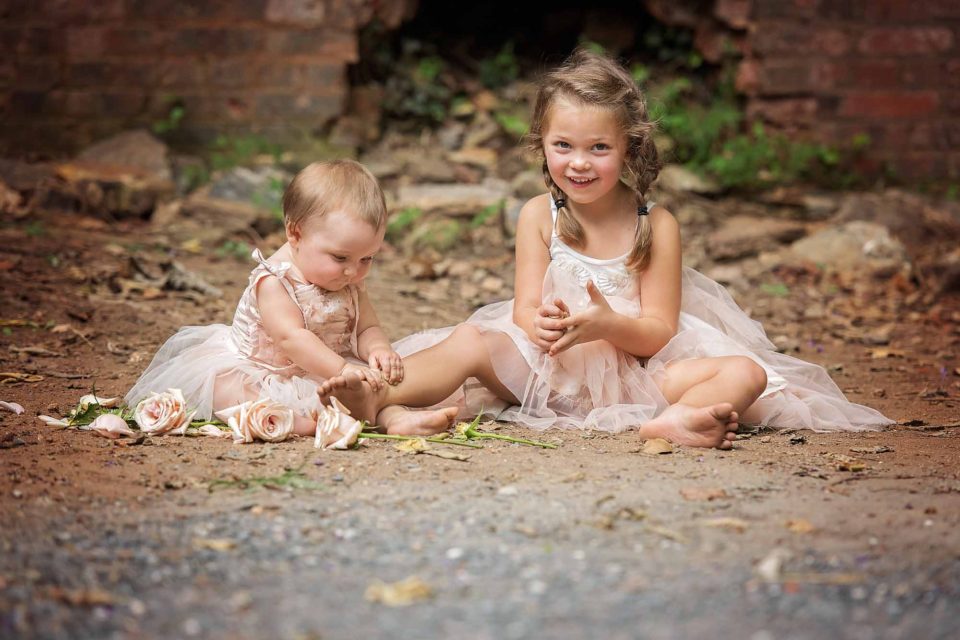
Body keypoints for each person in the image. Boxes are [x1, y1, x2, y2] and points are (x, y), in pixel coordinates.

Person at [317, 48, 892, 449]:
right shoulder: (537, 215)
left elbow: (660, 332)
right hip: (552, 368)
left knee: (746, 372)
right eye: (563, 145)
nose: (579, 162)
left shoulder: (657, 224)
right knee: (469, 340)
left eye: (598, 147)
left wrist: (607, 324)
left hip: (641, 378)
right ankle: (372, 395)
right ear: (541, 146)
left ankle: (674, 421)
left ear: (629, 147)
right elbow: (521, 310)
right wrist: (539, 324)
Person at [125, 160, 458, 437]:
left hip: (325, 370)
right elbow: (293, 339)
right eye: (340, 258)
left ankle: (395, 419)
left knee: (373, 392)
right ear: (295, 233)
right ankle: (308, 425)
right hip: (267, 368)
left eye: (367, 259)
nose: (353, 272)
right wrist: (342, 368)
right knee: (230, 388)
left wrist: (378, 349)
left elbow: (368, 326)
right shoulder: (275, 281)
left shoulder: (350, 280)